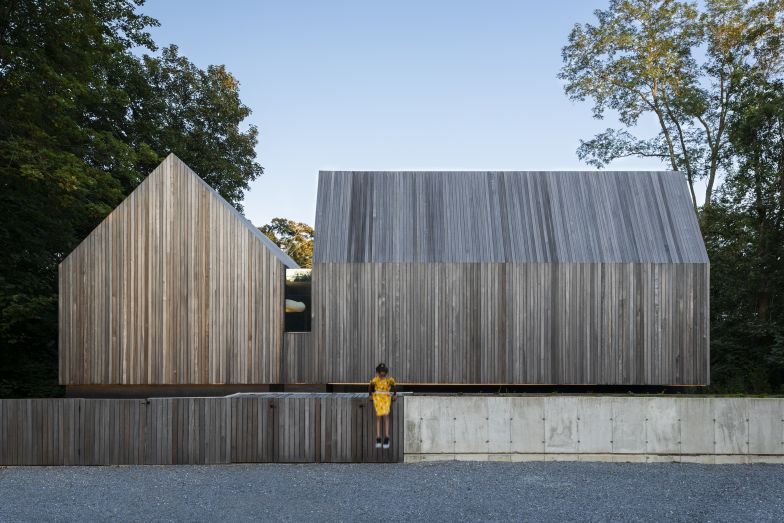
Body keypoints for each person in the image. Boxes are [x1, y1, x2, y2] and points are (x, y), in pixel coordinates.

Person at [368, 363, 397, 449]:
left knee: (385, 416)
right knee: (378, 416)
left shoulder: (388, 380)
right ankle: (378, 437)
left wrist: (395, 395)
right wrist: (370, 395)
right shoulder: (375, 380)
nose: (382, 373)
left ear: (385, 372)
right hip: (378, 398)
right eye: (380, 372)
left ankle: (386, 437)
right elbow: (370, 386)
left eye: (383, 372)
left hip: (386, 398)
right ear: (378, 372)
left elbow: (394, 385)